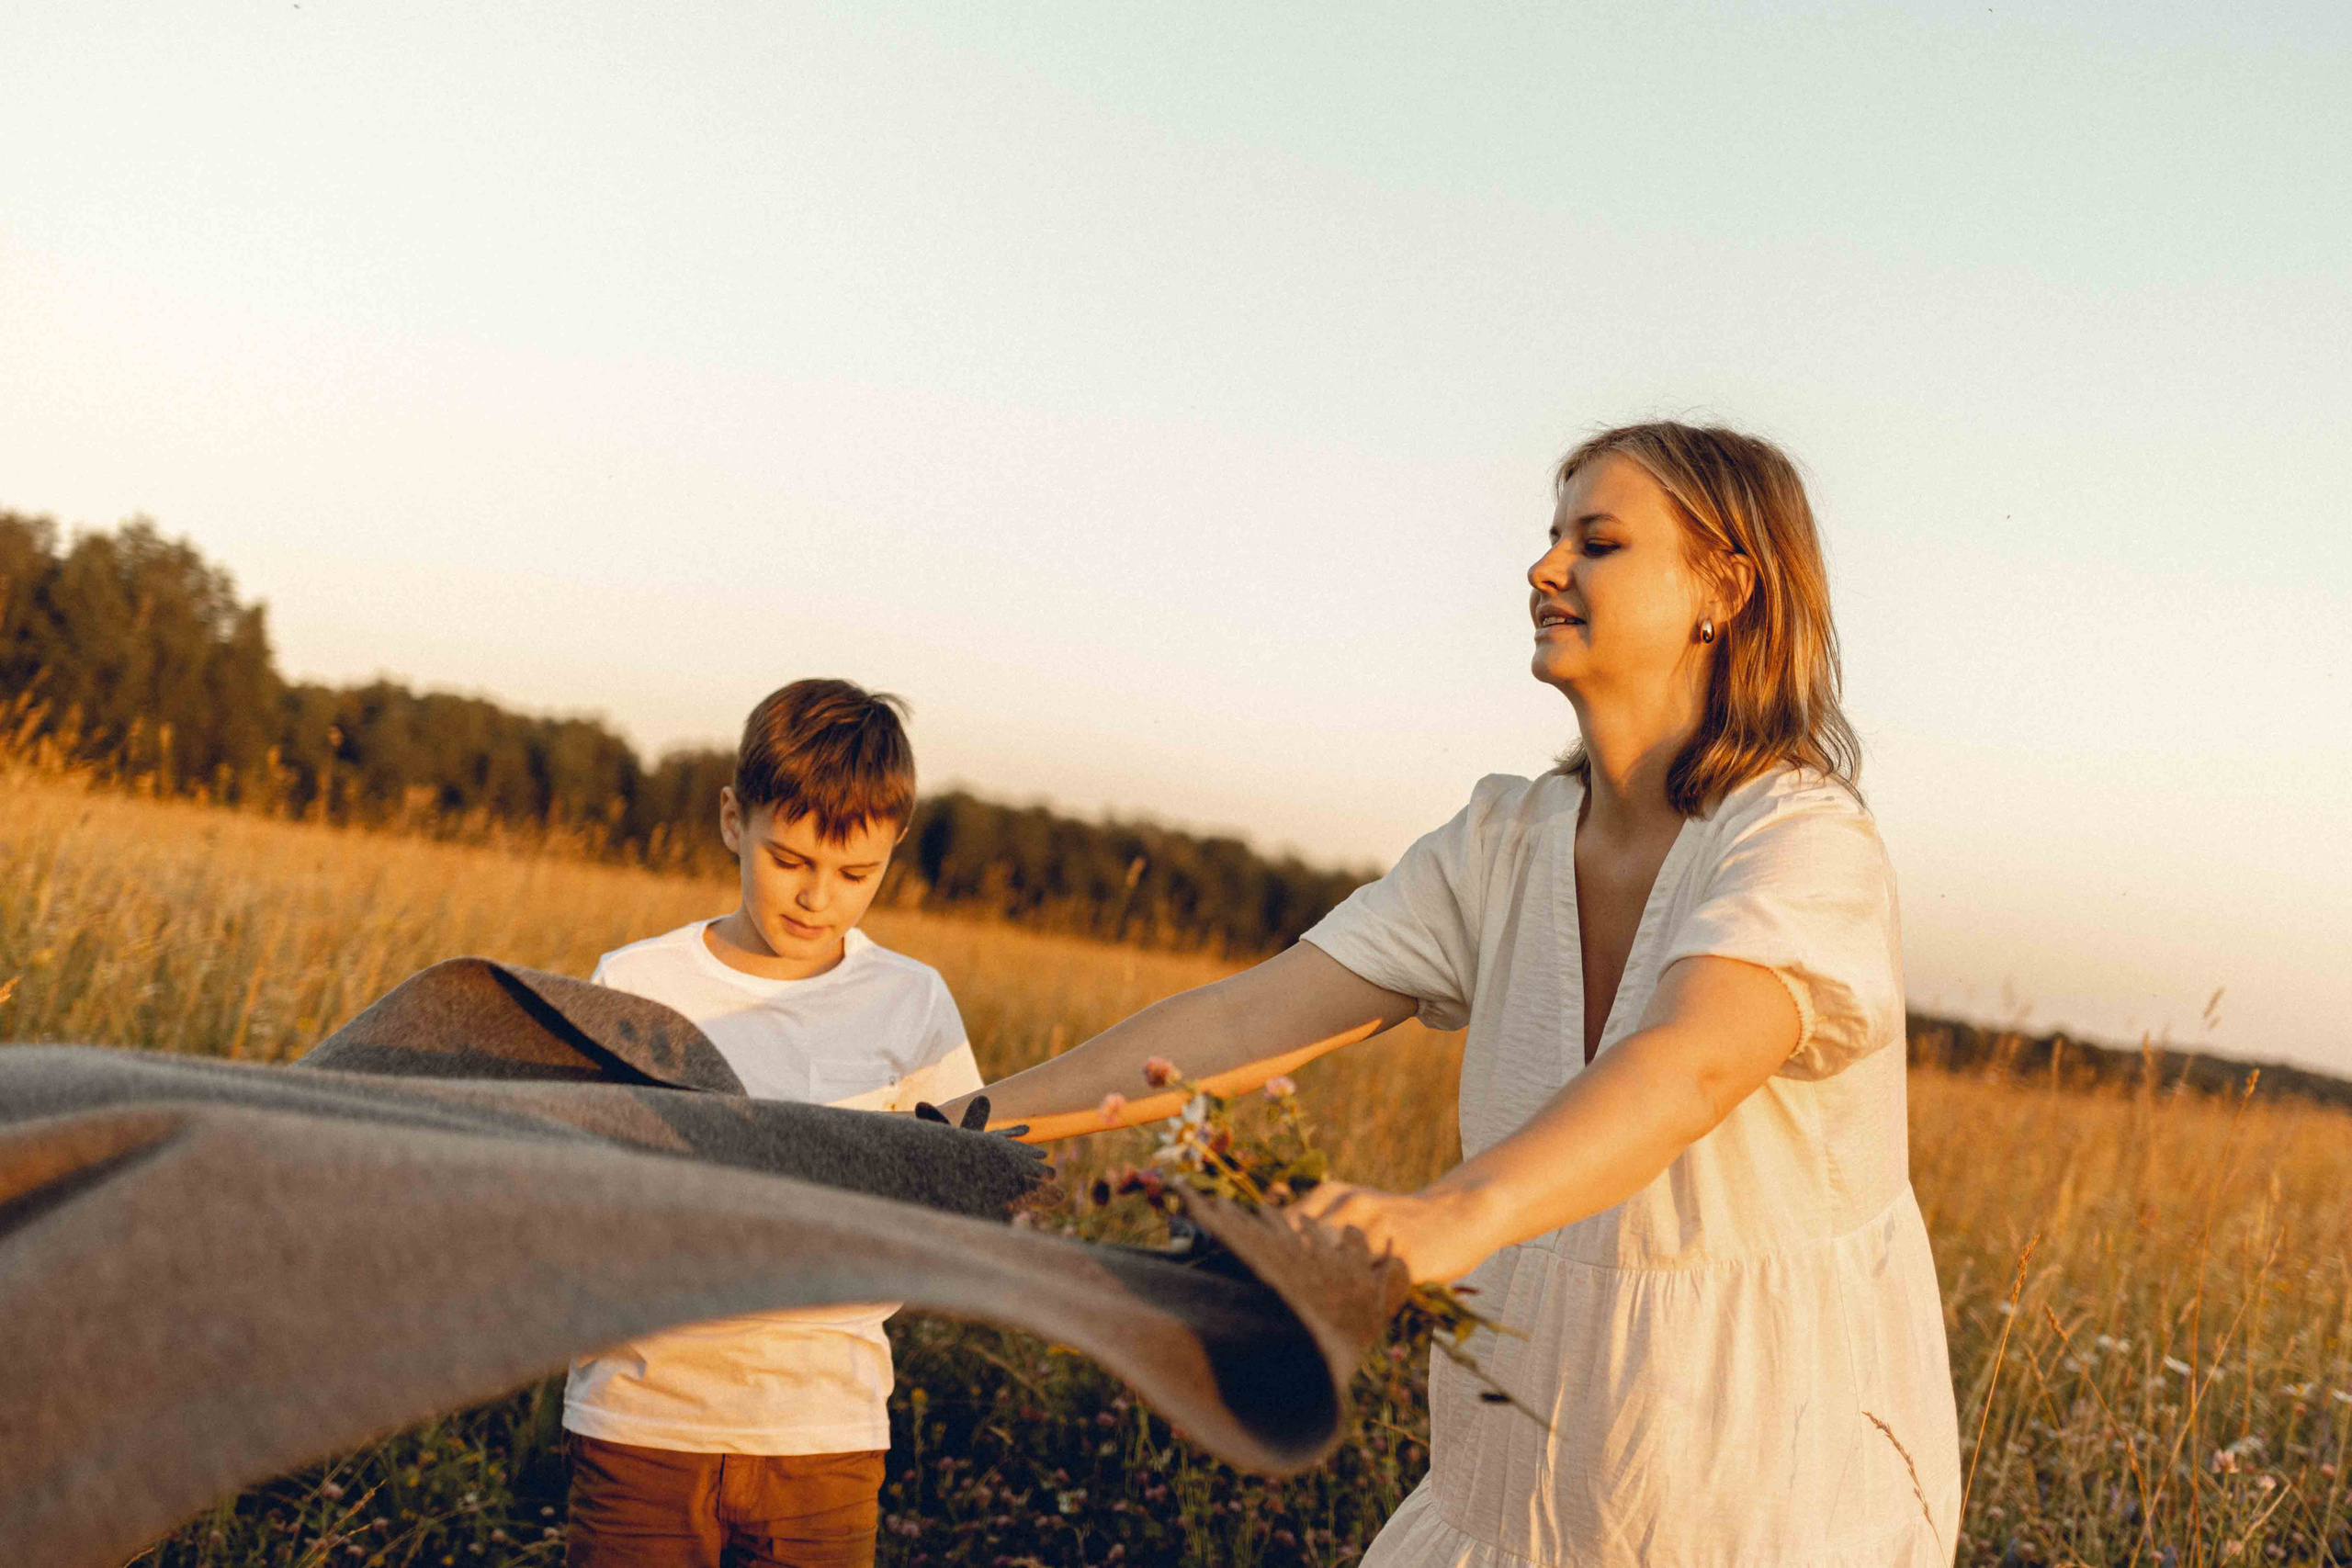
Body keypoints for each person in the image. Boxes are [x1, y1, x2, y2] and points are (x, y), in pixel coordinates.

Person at [944, 423, 1962, 1565]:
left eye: (1600, 541)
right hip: (1509, 1499)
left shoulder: (1800, 840)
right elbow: (1247, 1018)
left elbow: (1693, 1061)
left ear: (1723, 587)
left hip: (1763, 1499)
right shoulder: (1500, 842)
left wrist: (1442, 1217)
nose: (1544, 570)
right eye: (1551, 537)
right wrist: (968, 1133)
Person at [562, 678, 982, 1568]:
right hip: (644, 1421)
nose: (817, 898)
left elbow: (950, 1195)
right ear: (731, 819)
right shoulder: (636, 982)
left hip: (822, 1437)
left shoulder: (912, 1003)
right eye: (788, 859)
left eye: (855, 874)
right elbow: (584, 1185)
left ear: (893, 849)